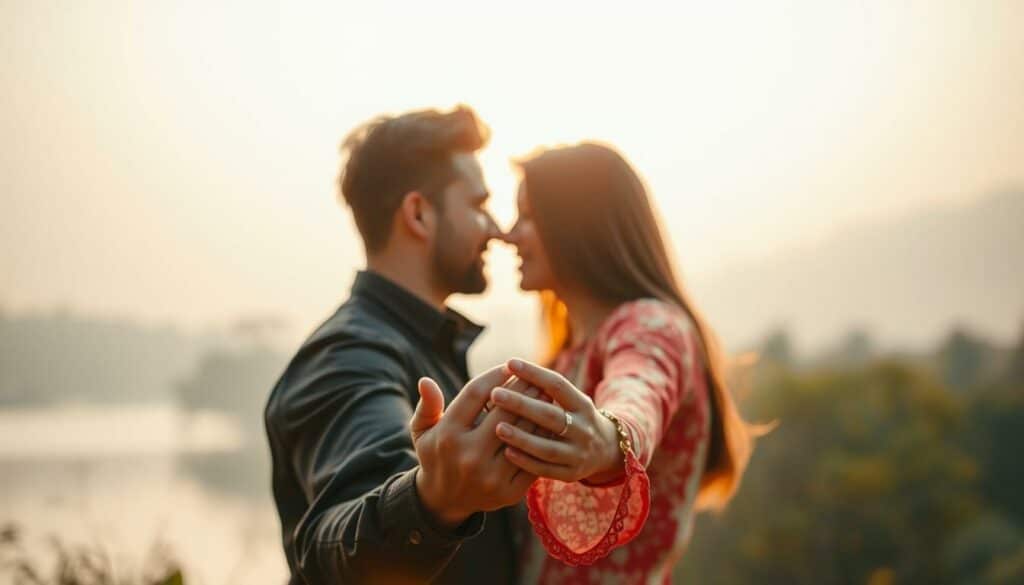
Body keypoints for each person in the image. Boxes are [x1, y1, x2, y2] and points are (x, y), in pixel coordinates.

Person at [263, 106, 536, 584]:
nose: (494, 228)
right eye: (476, 205)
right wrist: (432, 501)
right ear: (418, 214)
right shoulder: (349, 356)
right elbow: (337, 537)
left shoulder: (425, 344)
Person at [489, 142, 757, 583]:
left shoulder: (652, 326)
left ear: (579, 225)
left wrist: (611, 437)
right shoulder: (568, 352)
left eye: (529, 217)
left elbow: (640, 388)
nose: (508, 234)